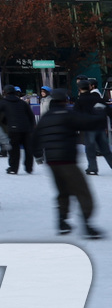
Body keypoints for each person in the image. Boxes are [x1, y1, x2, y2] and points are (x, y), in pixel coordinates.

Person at [36, 88, 103, 238]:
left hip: (52, 162)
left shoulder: (46, 117)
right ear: (65, 101)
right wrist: (100, 114)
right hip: (67, 160)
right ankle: (87, 224)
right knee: (82, 191)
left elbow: (36, 136)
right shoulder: (67, 114)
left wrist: (37, 154)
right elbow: (87, 123)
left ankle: (62, 222)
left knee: (63, 191)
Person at [0, 84, 37, 175]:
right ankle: (29, 168)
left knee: (14, 150)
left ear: (5, 92)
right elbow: (31, 115)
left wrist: (2, 122)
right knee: (27, 149)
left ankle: (13, 168)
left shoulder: (4, 102)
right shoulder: (22, 102)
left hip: (13, 129)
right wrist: (31, 127)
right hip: (26, 129)